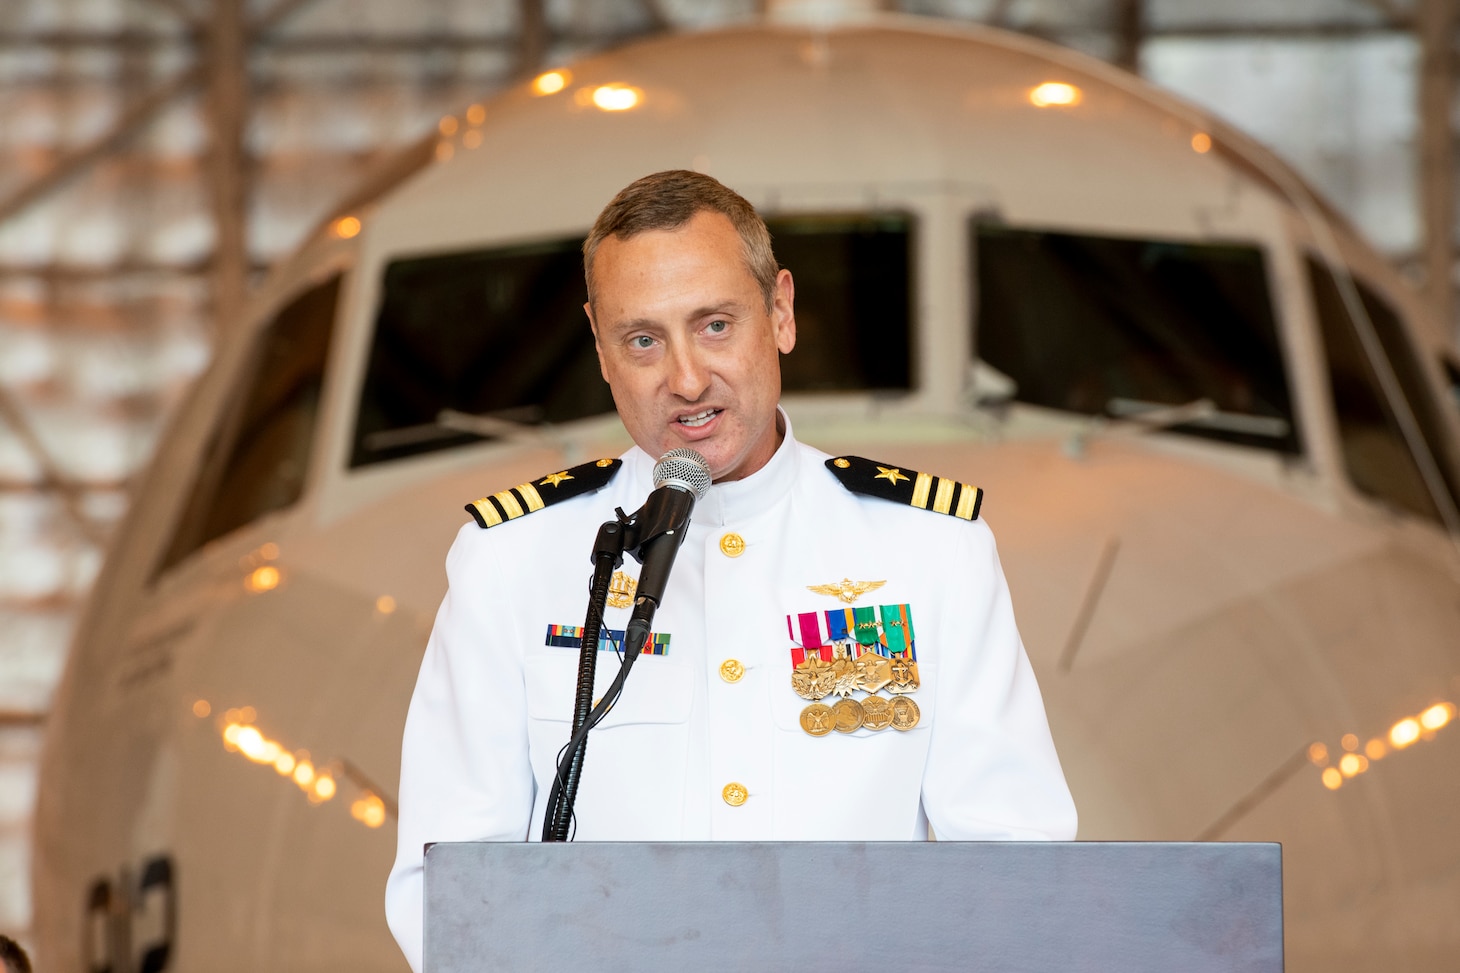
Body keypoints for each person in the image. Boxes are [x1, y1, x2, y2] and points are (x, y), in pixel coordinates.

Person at [385, 170, 1076, 971]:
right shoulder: (511, 560)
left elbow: (1016, 865)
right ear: (601, 348)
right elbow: (448, 889)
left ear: (780, 312)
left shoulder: (929, 550)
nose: (684, 378)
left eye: (714, 325)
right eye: (643, 339)